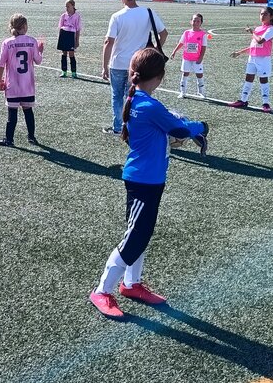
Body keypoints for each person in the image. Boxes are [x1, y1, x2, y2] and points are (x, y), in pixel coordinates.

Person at [89, 47, 209, 319]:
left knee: (141, 234)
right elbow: (179, 129)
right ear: (159, 77)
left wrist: (188, 129)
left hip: (150, 179)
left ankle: (131, 284)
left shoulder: (141, 100)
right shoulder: (147, 104)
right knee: (135, 238)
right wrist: (201, 127)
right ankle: (101, 291)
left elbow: (171, 128)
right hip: (143, 180)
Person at [101, 0, 168, 135]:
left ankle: (118, 127)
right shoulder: (148, 12)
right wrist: (155, 51)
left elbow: (108, 42)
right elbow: (163, 33)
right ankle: (132, 127)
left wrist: (104, 66)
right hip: (138, 63)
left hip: (118, 62)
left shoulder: (117, 16)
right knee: (133, 96)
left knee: (117, 96)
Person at [0, 13, 43, 146]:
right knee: (28, 112)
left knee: (12, 114)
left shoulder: (7, 43)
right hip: (28, 85)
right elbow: (38, 61)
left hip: (13, 85)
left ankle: (9, 139)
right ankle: (31, 137)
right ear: (25, 26)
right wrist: (41, 50)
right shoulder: (32, 41)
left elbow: (1, 64)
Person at [229, 7, 273, 112]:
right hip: (252, 58)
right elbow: (254, 46)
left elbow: (260, 41)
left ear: (271, 16)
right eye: (261, 14)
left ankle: (266, 103)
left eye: (265, 14)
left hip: (263, 59)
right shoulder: (258, 29)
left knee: (263, 80)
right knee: (248, 79)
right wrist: (239, 53)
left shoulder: (271, 29)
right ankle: (243, 100)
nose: (262, 16)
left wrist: (252, 32)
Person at [169, 13, 208, 98]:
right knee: (185, 74)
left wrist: (201, 58)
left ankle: (201, 92)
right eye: (194, 20)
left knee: (199, 75)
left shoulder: (203, 34)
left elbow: (204, 47)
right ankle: (182, 92)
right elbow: (181, 43)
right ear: (191, 21)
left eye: (198, 21)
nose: (196, 22)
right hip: (186, 58)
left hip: (197, 59)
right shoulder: (186, 32)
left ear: (201, 22)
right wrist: (174, 51)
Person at [56, 0, 83, 79]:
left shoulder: (77, 16)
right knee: (64, 53)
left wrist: (77, 40)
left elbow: (78, 29)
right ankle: (64, 71)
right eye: (66, 6)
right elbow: (60, 27)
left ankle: (74, 72)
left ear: (73, 6)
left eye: (68, 6)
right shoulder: (63, 16)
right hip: (64, 34)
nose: (67, 8)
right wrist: (59, 38)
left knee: (71, 54)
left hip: (71, 35)